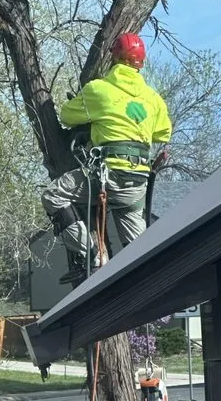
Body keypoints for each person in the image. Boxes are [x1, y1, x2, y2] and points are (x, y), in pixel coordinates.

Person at [42, 32, 172, 284]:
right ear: (141, 63)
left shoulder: (99, 90)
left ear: (113, 58)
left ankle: (92, 253)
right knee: (139, 252)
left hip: (105, 178)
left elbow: (67, 116)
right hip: (135, 184)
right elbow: (163, 131)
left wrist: (95, 119)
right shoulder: (154, 99)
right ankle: (145, 286)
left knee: (53, 196)